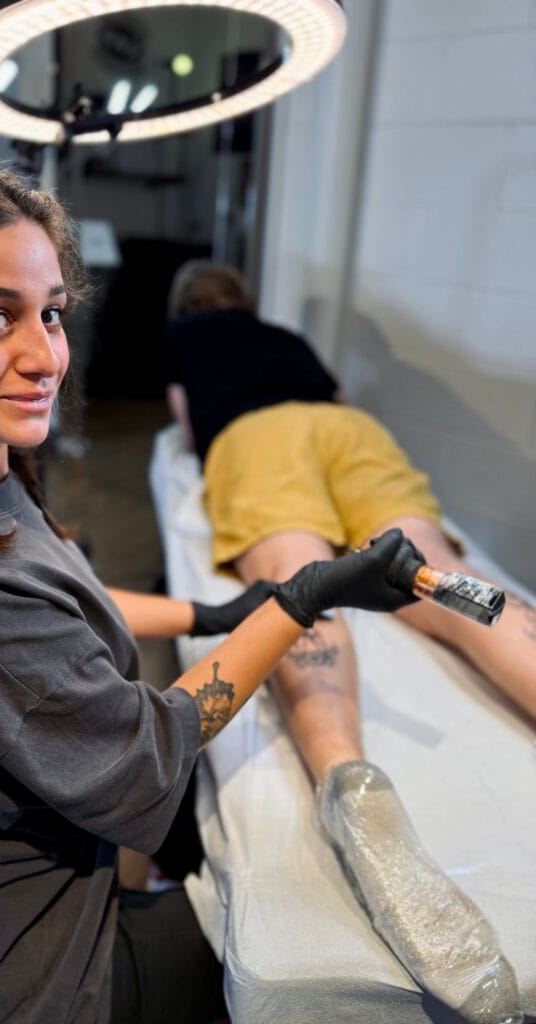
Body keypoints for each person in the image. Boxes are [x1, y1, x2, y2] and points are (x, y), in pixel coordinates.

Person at [0, 153, 427, 1024]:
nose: (44, 357)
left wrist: (214, 612)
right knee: (314, 957)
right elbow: (149, 756)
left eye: (51, 313)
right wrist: (301, 599)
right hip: (12, 990)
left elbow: (57, 592)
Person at [163, 260, 532, 1024]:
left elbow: (187, 425)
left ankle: (355, 796)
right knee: (433, 573)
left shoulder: (184, 338)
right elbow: (332, 398)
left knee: (303, 586)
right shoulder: (282, 336)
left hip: (254, 436)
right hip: (351, 431)